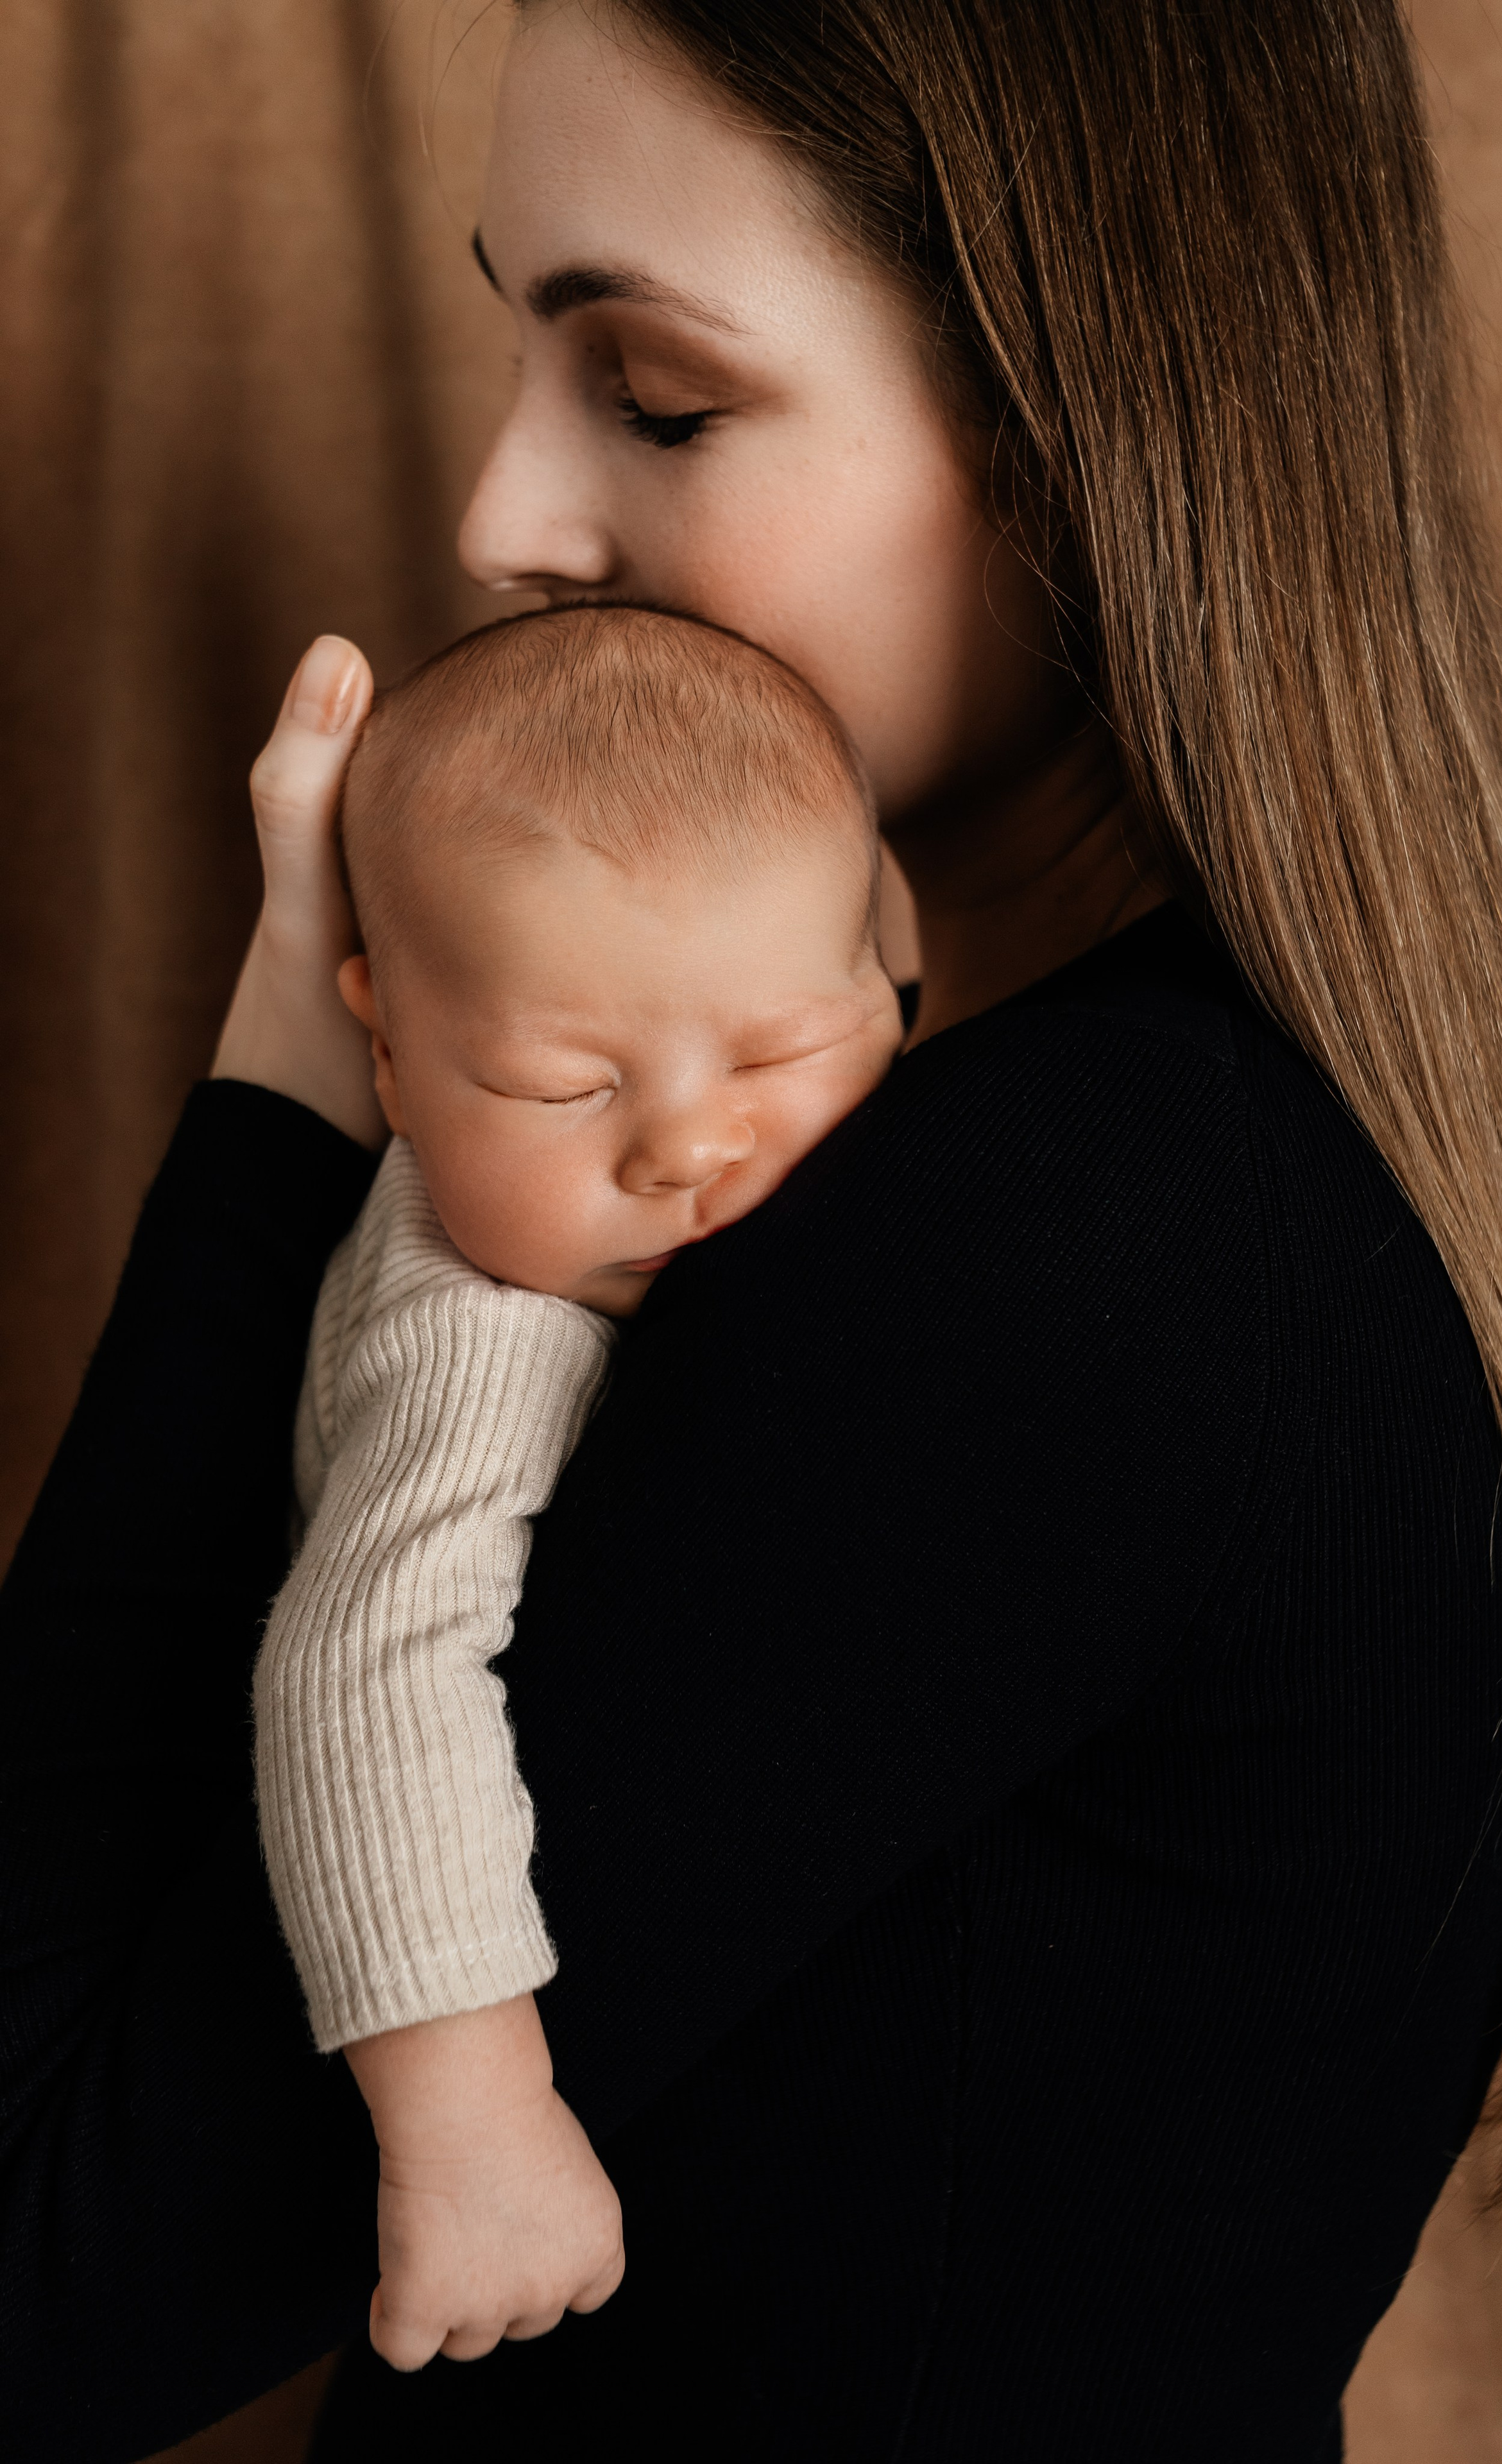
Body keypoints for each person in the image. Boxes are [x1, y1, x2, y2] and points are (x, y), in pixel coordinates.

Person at [3, 3, 1502, 2459]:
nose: (502, 518)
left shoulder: (1050, 1257)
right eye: (514, 349)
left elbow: (35, 2258)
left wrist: (287, 1095)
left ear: (1087, 425)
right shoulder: (1240, 1175)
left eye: (654, 395)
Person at [254, 603, 901, 2373]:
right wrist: (470, 2124)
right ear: (387, 1056)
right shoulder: (486, 1336)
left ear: (886, 973)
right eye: (567, 1083)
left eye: (779, 1055)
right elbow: (362, 1680)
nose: (689, 1144)